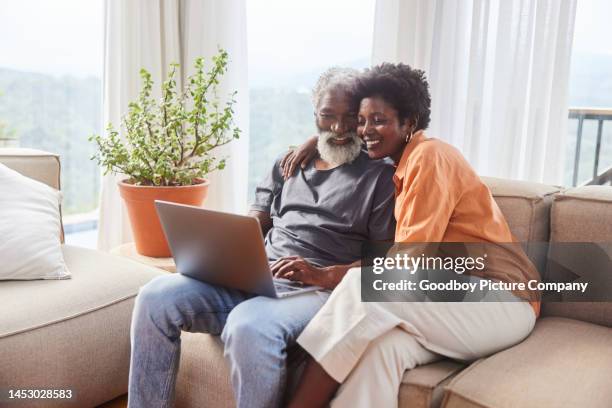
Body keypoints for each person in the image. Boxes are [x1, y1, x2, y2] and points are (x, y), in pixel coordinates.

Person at [127, 67, 397, 408]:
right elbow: (258, 217)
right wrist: (230, 245)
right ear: (315, 115)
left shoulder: (380, 176)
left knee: (249, 326)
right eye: (328, 116)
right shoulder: (289, 163)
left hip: (317, 289)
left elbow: (383, 262)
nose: (340, 128)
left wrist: (322, 274)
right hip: (258, 275)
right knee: (155, 297)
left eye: (349, 118)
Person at [279, 63, 541, 408]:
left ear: (410, 122)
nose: (366, 129)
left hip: (501, 301)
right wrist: (320, 139)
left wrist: (326, 275)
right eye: (362, 120)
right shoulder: (398, 163)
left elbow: (405, 264)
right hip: (454, 300)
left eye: (379, 120)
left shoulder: (430, 156)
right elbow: (348, 138)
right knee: (382, 352)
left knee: (362, 289)